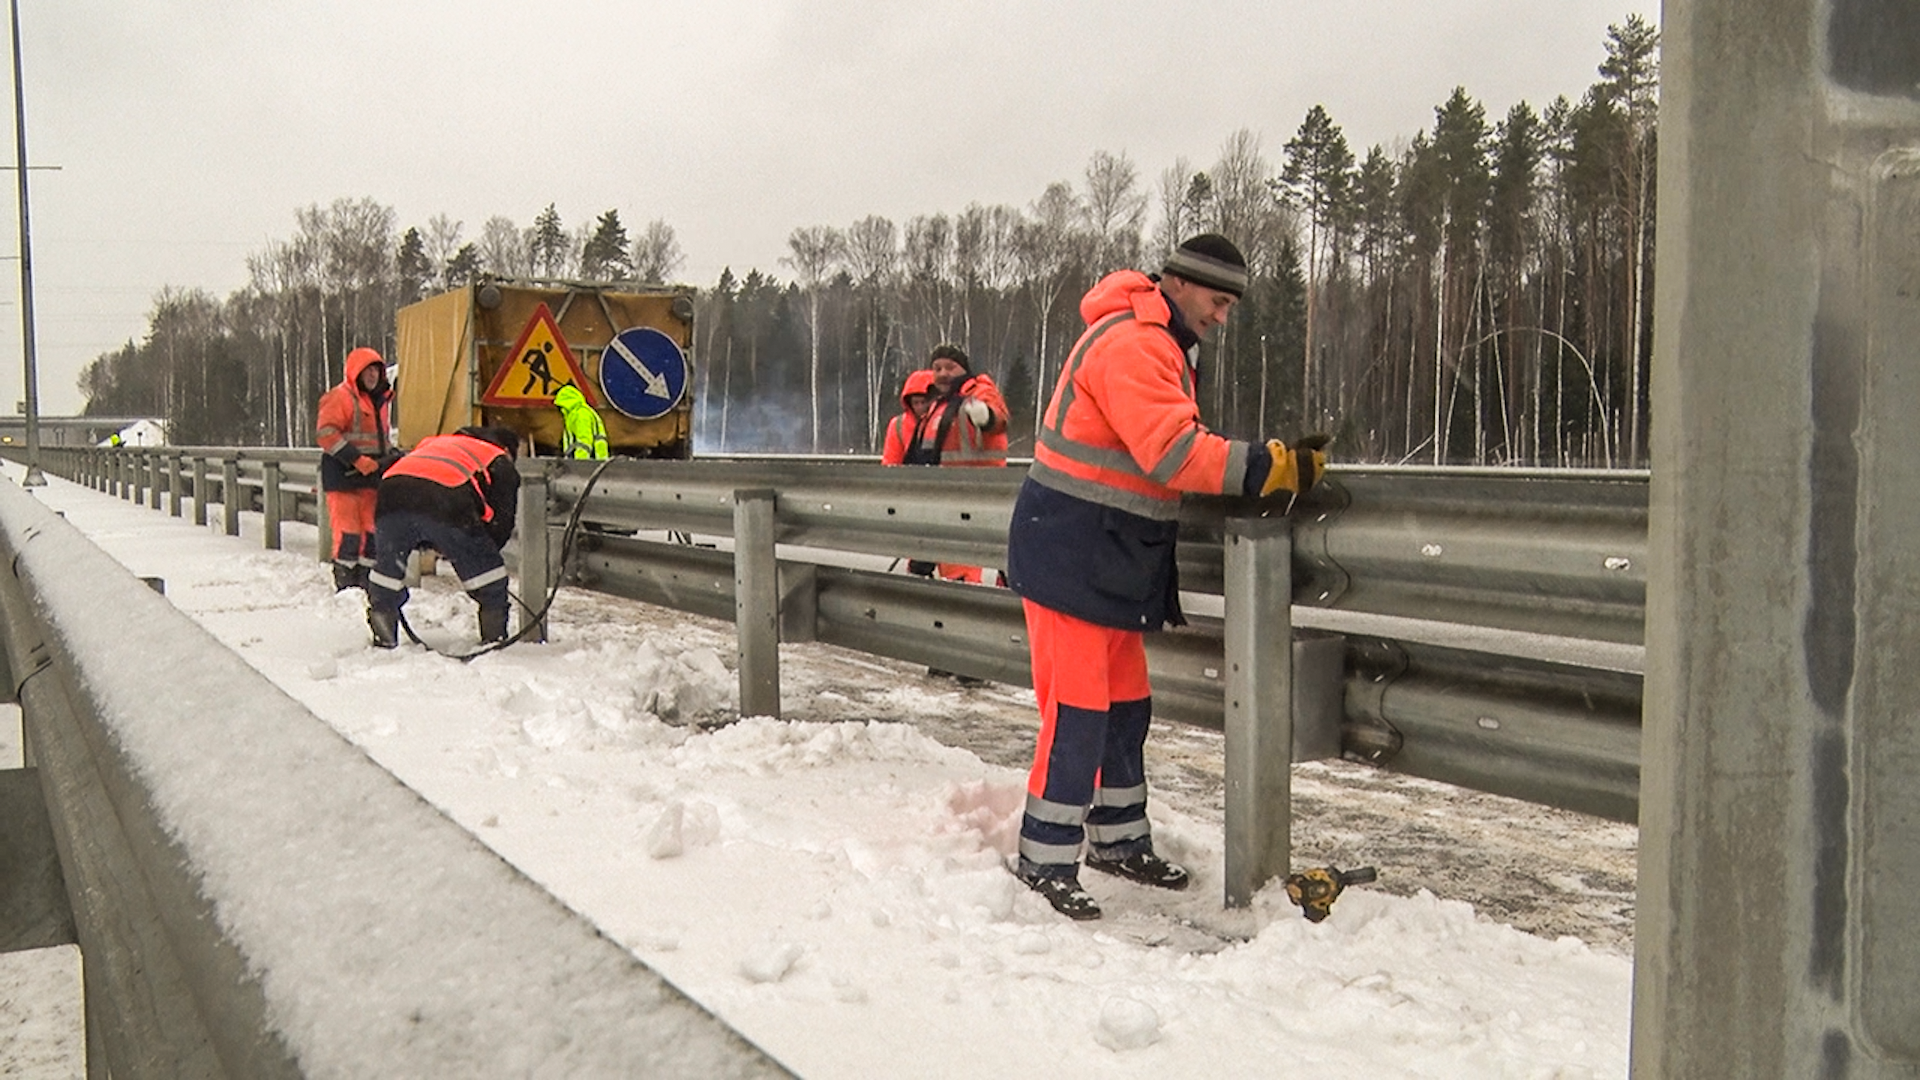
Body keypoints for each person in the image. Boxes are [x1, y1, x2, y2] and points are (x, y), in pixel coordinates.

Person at [1002, 234, 1329, 920]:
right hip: (1072, 551)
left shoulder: (1161, 343)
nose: (1223, 316)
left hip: (1108, 554)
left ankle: (1118, 840)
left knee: (1125, 707)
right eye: (1218, 300)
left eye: (1231, 305)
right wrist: (1268, 466)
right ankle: (1045, 858)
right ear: (1179, 283)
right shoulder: (1135, 343)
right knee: (1077, 715)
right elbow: (1173, 452)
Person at [364, 425, 522, 649]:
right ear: (506, 449)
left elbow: (415, 485)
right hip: (445, 497)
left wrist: (430, 538)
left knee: (388, 569)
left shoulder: (434, 442)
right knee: (489, 577)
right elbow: (502, 522)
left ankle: (383, 629)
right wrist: (477, 552)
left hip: (391, 491)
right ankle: (493, 638)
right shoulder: (497, 457)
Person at [917, 344, 1010, 584]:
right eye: (937, 368)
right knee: (954, 560)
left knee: (986, 557)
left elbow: (998, 418)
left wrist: (985, 416)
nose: (943, 373)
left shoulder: (978, 391)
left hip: (981, 491)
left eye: (950, 367)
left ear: (964, 369)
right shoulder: (937, 404)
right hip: (947, 495)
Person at [315, 347, 395, 591]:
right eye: (367, 370)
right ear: (355, 373)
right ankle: (346, 585)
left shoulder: (379, 401)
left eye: (376, 371)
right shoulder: (340, 397)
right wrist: (356, 460)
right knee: (349, 534)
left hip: (371, 477)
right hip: (343, 477)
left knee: (370, 534)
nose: (372, 375)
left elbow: (379, 439)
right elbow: (326, 434)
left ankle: (365, 584)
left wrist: (391, 456)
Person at [880, 369, 938, 467]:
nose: (920, 407)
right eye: (915, 403)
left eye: (924, 402)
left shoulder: (944, 421)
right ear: (909, 403)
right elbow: (891, 463)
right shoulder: (898, 425)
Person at [555, 383, 609, 460]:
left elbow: (584, 440)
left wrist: (580, 462)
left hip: (589, 461)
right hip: (591, 461)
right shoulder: (574, 415)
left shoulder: (581, 414)